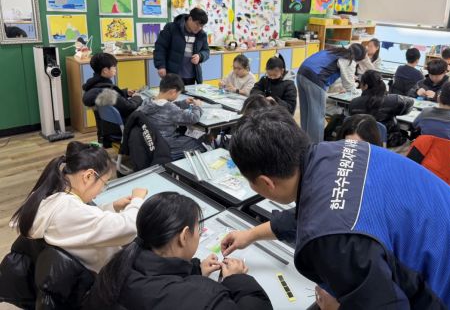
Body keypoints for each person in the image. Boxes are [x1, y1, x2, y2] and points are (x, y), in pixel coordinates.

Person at [220, 106, 450, 309]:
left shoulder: (331, 236)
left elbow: (383, 302)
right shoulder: (342, 153)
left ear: (264, 183)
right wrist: (251, 234)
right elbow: (330, 212)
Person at [88, 192, 272, 310]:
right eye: (198, 229)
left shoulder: (116, 265)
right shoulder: (203, 296)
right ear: (184, 236)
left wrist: (195, 270)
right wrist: (237, 279)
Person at [10, 141, 147, 273]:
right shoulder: (69, 211)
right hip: (102, 277)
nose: (101, 190)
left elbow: (83, 221)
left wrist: (112, 206)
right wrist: (137, 200)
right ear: (88, 176)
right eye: (104, 183)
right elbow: (127, 228)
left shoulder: (51, 195)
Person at [297, 44, 366, 143]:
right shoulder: (348, 59)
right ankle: (317, 147)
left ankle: (304, 143)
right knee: (317, 117)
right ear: (358, 58)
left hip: (301, 74)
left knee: (306, 114)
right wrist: (359, 90)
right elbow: (348, 85)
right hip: (315, 78)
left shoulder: (335, 51)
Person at [82, 52, 143, 147]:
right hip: (119, 128)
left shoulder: (94, 86)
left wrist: (124, 92)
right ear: (105, 70)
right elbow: (129, 107)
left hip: (107, 128)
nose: (115, 69)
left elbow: (114, 98)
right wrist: (137, 97)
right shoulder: (107, 91)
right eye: (114, 67)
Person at [139, 73, 204, 160]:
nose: (178, 96)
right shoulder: (170, 109)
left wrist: (183, 103)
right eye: (178, 93)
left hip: (150, 142)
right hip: (167, 145)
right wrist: (198, 106)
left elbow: (165, 107)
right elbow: (193, 118)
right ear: (173, 92)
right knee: (200, 142)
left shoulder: (147, 101)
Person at [349, 70, 413, 147]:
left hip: (363, 142)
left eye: (361, 83)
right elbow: (410, 102)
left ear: (365, 86)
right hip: (390, 142)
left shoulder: (353, 103)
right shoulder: (394, 100)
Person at [154, 7, 210, 85]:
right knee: (172, 93)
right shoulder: (171, 28)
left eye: (202, 26)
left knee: (189, 93)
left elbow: (206, 51)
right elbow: (160, 47)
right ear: (190, 19)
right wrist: (161, 66)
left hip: (191, 76)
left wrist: (200, 56)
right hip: (173, 75)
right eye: (197, 24)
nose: (199, 28)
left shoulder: (202, 35)